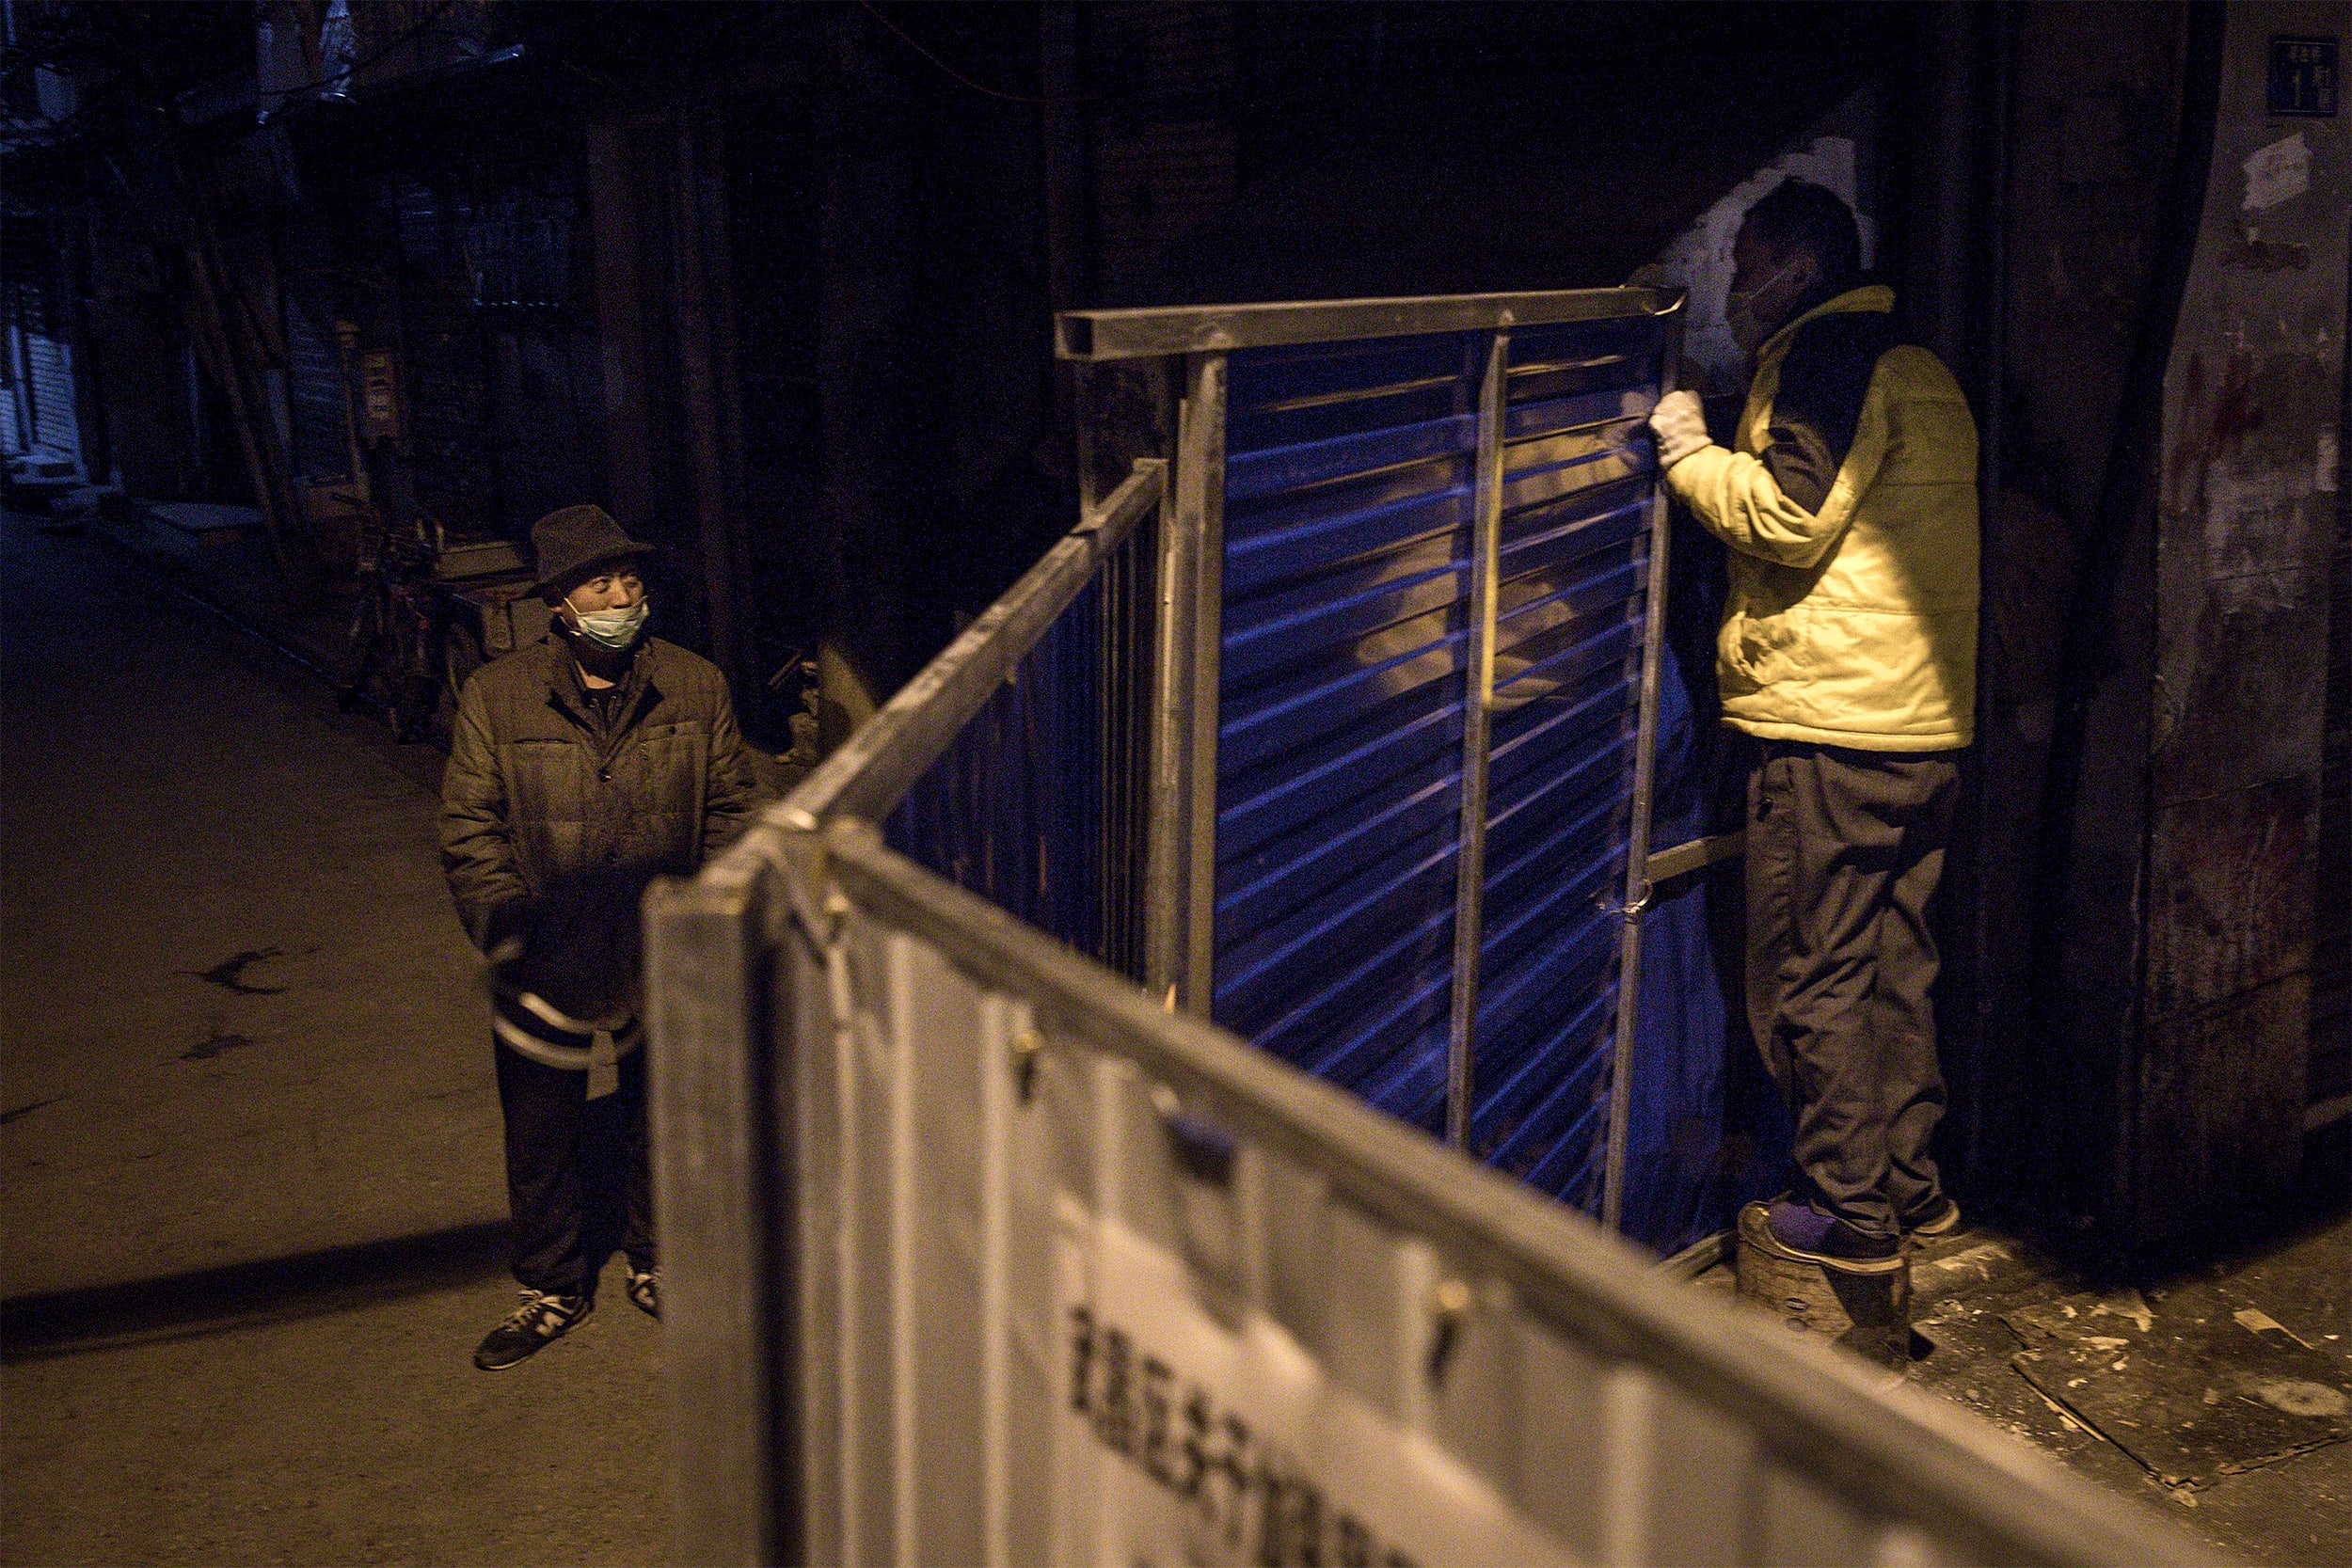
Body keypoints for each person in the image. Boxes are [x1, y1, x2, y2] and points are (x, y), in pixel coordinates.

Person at [1646, 178, 1979, 1275]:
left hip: (1831, 727)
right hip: (1922, 727)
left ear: (1797, 263)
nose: (1732, 284)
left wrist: (1687, 446)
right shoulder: (1921, 365)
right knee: (1894, 967)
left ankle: (1848, 1213)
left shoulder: (1829, 359)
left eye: (1745, 262)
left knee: (1810, 974)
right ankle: (1909, 1188)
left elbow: (1788, 514)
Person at [440, 503, 761, 1369]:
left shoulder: (695, 686)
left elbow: (733, 809)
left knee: (664, 1110)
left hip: (661, 938)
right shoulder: (497, 696)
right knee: (541, 1126)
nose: (621, 594)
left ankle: (658, 1262)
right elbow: (471, 827)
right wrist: (511, 929)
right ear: (559, 603)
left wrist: (707, 914)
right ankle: (550, 1285)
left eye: (629, 578)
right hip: (549, 946)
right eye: (599, 582)